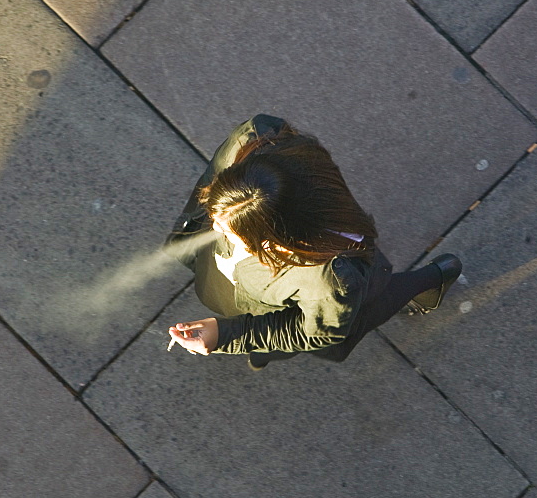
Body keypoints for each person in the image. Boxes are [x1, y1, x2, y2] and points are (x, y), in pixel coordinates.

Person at [164, 115, 462, 370]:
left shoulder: (331, 283)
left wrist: (231, 334)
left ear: (279, 242)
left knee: (355, 318)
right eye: (216, 213)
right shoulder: (253, 140)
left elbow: (314, 332)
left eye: (231, 232)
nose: (214, 227)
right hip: (241, 290)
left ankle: (429, 280)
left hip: (303, 303)